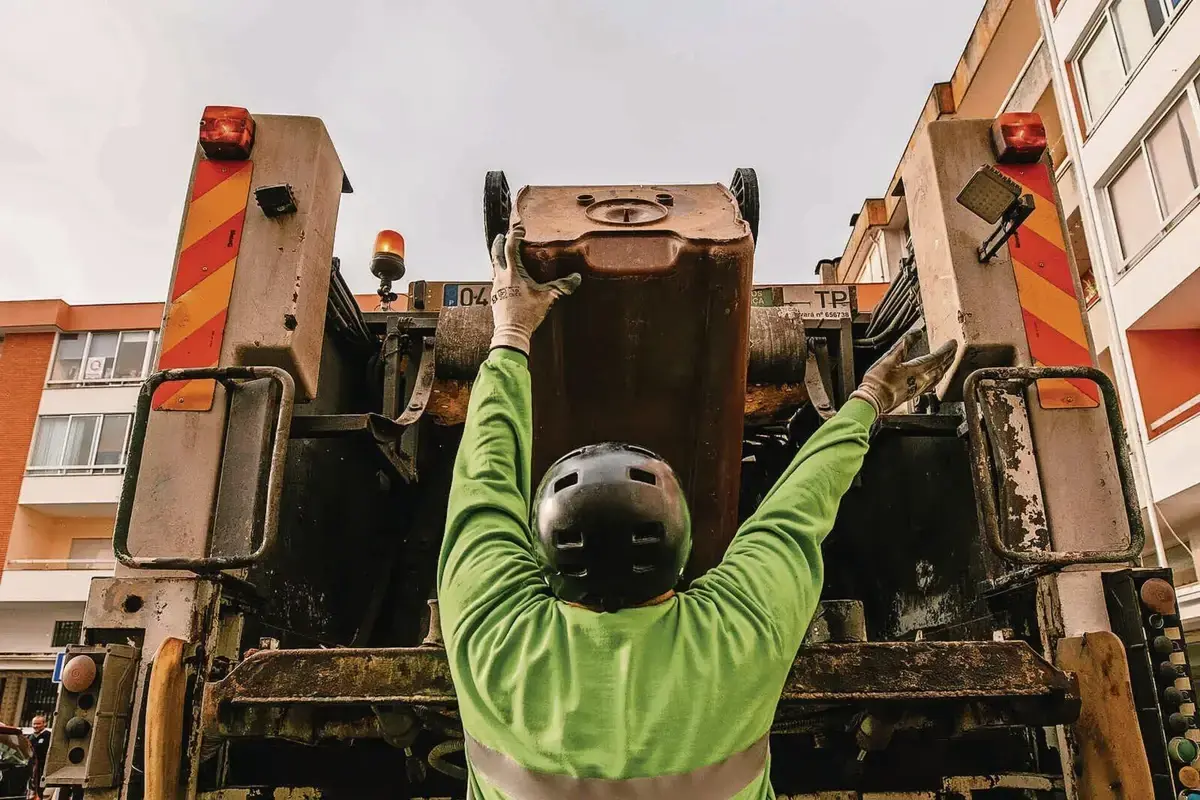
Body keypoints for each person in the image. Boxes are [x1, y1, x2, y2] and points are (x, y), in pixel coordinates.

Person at [437, 225, 958, 800]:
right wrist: (869, 400)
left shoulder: (491, 640)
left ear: (542, 550)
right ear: (683, 545)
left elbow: (482, 481)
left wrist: (510, 331)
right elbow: (794, 513)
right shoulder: (737, 637)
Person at [27, 715, 50, 799]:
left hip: (43, 767)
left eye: (38, 724)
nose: (35, 726)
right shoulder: (30, 737)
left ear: (44, 724)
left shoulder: (48, 736)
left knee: (41, 789)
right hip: (32, 767)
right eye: (34, 724)